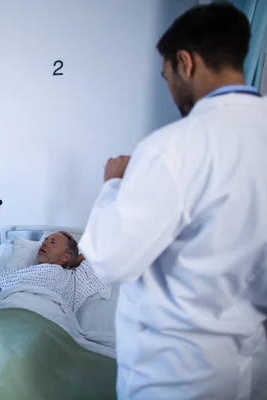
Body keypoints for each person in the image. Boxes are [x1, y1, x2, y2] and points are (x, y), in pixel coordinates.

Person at [78, 4, 267, 399]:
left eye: (167, 76)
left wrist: (113, 185)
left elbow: (110, 259)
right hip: (251, 367)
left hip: (176, 372)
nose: (170, 88)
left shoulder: (174, 147)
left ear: (185, 62)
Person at [0, 232, 110, 346]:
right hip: (3, 319)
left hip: (44, 327)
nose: (44, 243)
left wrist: (71, 263)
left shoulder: (74, 280)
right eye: (45, 240)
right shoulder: (13, 274)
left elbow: (103, 252)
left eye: (52, 242)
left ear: (66, 256)